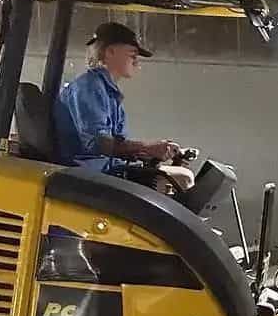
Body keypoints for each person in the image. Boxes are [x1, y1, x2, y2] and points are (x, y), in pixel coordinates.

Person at [54, 21, 195, 192]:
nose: (137, 63)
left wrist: (157, 152)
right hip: (88, 174)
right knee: (183, 179)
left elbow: (119, 147)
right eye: (132, 56)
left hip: (105, 169)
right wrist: (147, 147)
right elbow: (99, 144)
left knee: (183, 177)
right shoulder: (89, 87)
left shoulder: (108, 93)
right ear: (110, 51)